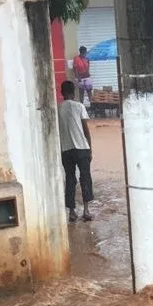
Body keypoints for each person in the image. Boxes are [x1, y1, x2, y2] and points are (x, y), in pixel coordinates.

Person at [58, 81, 93, 223]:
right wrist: (90, 148)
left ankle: (72, 212)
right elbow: (86, 130)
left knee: (70, 179)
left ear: (62, 93)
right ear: (73, 92)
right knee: (85, 177)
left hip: (66, 149)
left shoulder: (58, 108)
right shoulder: (79, 106)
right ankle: (86, 210)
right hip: (82, 148)